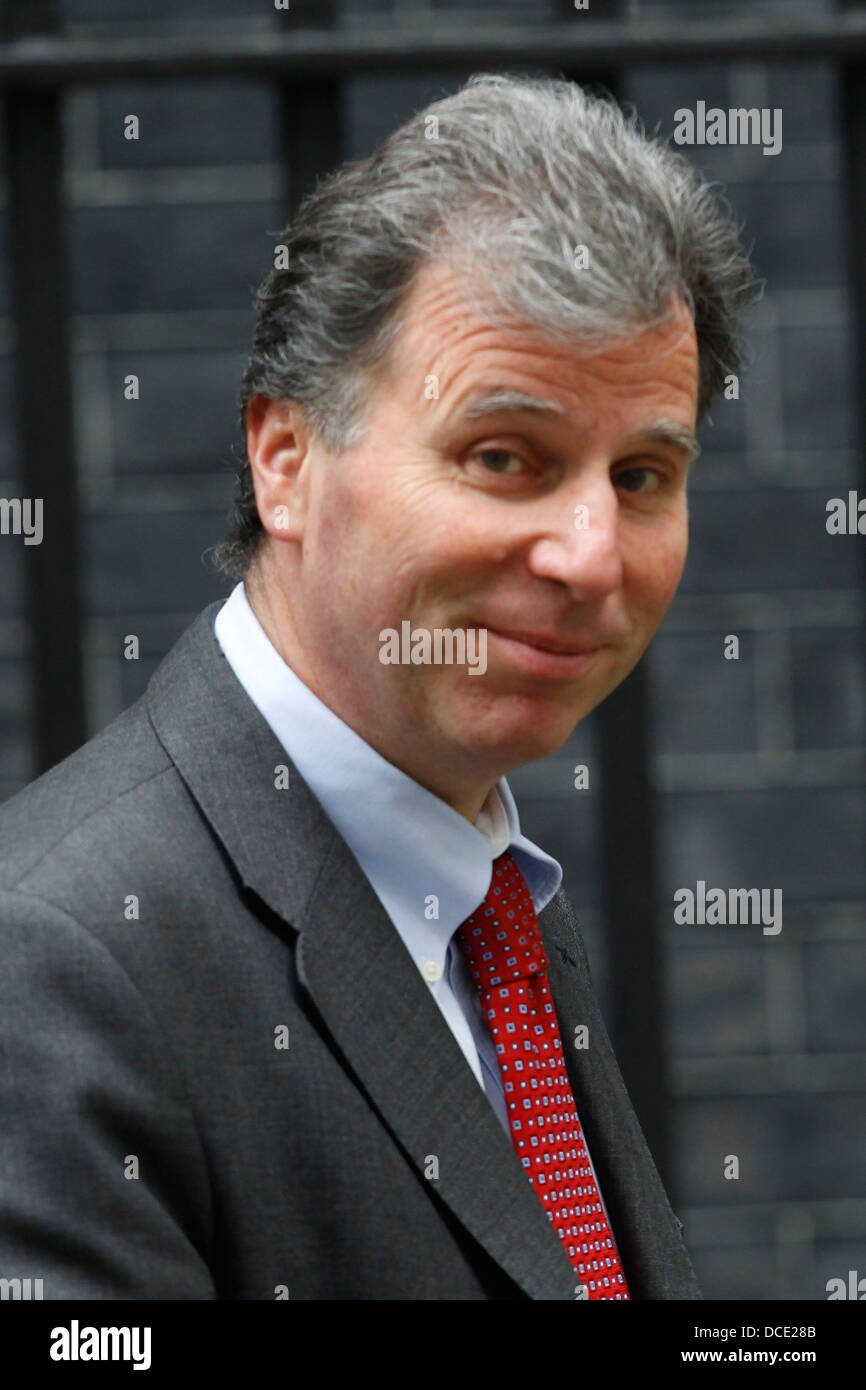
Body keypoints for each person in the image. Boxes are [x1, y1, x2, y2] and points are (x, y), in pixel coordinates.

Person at [0, 73, 754, 1300]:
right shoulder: (50, 968)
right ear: (285, 460)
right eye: (504, 456)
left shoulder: (481, 898)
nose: (590, 554)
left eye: (640, 474)